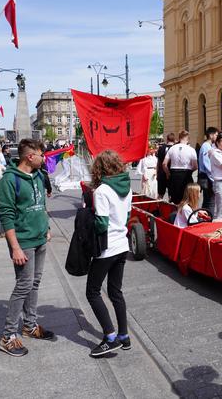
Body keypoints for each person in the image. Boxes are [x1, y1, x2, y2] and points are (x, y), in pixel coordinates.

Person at [0, 139, 54, 357]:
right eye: (41, 154)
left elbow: (41, 205)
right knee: (24, 285)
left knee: (34, 283)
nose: (44, 157)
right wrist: (15, 248)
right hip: (23, 242)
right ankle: (8, 335)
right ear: (30, 157)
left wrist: (46, 226)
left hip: (39, 238)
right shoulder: (10, 180)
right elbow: (6, 216)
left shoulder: (38, 175)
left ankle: (30, 326)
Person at [87, 150, 132, 357]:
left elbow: (101, 224)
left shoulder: (102, 190)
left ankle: (110, 336)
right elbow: (128, 215)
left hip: (107, 248)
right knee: (116, 292)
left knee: (93, 292)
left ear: (100, 168)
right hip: (122, 244)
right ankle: (124, 336)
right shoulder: (127, 187)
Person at [163, 130, 198, 204]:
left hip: (174, 175)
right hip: (186, 175)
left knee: (175, 200)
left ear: (179, 138)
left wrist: (168, 173)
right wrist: (189, 172)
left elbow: (164, 164)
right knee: (187, 200)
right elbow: (195, 166)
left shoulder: (172, 148)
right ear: (188, 139)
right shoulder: (191, 150)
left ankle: (175, 214)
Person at [197, 127, 218, 213]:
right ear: (211, 135)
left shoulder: (208, 146)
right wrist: (213, 177)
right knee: (210, 201)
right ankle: (209, 219)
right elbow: (207, 164)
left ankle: (205, 218)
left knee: (207, 200)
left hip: (206, 176)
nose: (217, 137)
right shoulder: (206, 146)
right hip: (207, 177)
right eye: (216, 135)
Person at [156, 133, 176, 199]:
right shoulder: (175, 148)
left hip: (161, 172)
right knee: (171, 195)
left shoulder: (161, 148)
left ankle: (157, 208)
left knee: (160, 194)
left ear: (167, 139)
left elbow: (158, 162)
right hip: (171, 173)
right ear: (174, 139)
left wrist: (157, 173)